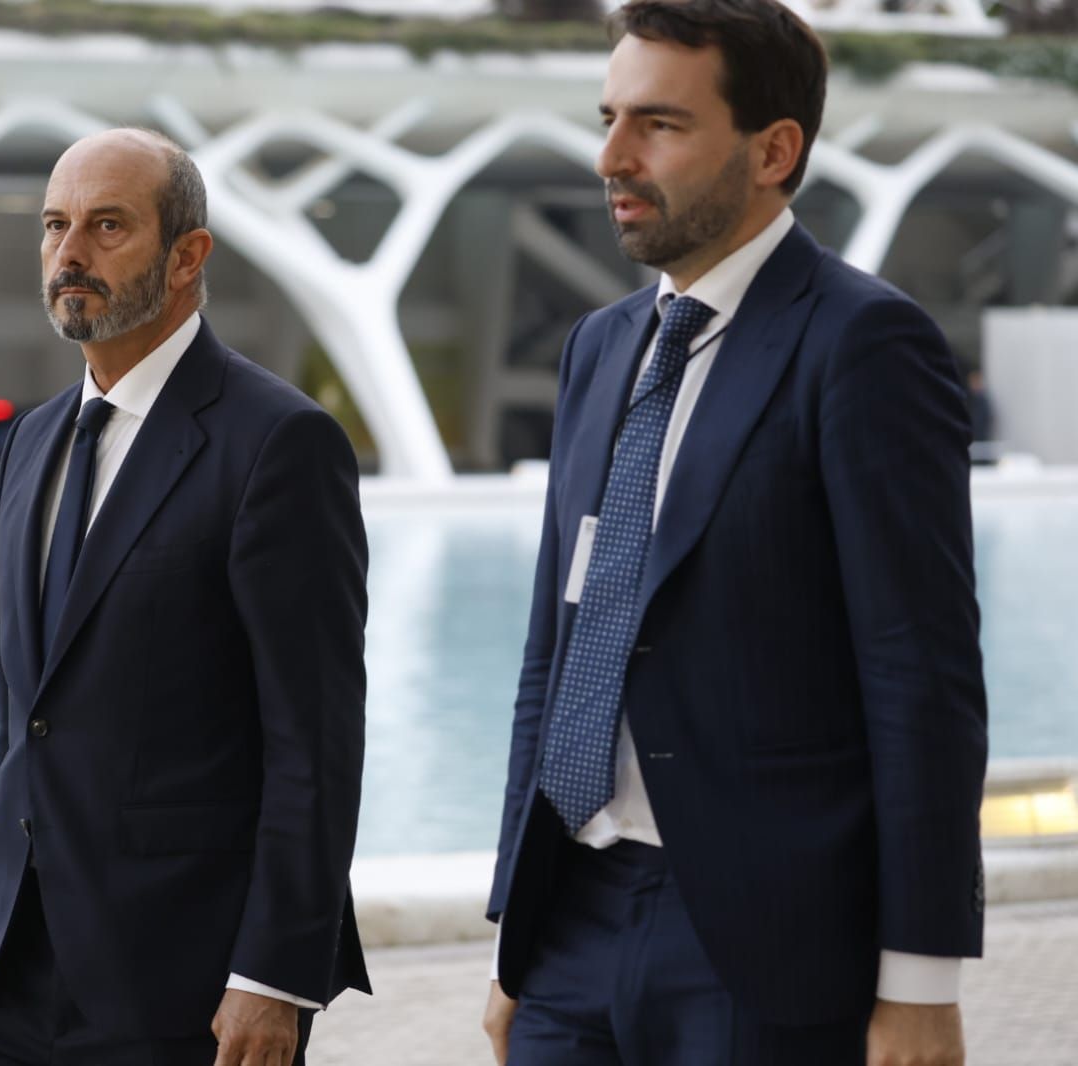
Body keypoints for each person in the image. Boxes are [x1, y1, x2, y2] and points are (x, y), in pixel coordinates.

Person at [481, 1, 988, 1063]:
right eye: (609, 116)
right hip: (569, 918)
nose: (612, 156)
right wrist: (511, 936)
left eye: (658, 124)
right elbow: (552, 648)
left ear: (773, 150)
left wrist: (919, 981)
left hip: (761, 945)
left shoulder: (866, 344)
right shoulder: (598, 346)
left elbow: (920, 675)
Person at [0, 128, 371, 1066]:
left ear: (187, 256)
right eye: (54, 227)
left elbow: (317, 738)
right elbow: (28, 708)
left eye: (106, 227)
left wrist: (273, 976)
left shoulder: (278, 444)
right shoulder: (32, 441)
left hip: (183, 979)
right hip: (10, 966)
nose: (69, 255)